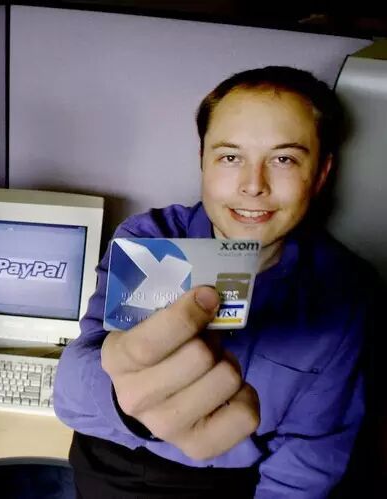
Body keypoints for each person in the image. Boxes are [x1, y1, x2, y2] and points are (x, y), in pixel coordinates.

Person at [53, 66, 378, 498]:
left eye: (283, 159)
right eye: (230, 157)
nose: (253, 186)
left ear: (320, 174)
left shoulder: (346, 292)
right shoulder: (152, 241)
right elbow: (72, 396)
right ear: (203, 162)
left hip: (230, 484)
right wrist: (125, 402)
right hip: (116, 460)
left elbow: (310, 457)